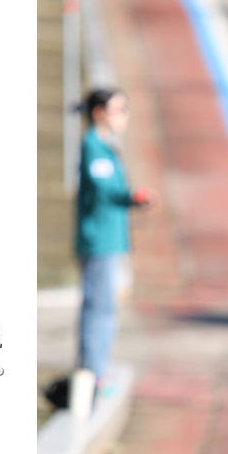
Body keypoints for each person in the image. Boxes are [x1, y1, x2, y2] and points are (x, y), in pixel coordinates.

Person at [71, 88, 154, 415]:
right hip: (99, 241)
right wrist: (131, 197)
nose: (124, 116)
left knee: (106, 307)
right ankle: (93, 373)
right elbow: (106, 190)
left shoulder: (104, 146)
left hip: (108, 239)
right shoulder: (93, 146)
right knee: (99, 308)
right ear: (99, 113)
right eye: (119, 110)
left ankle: (97, 370)